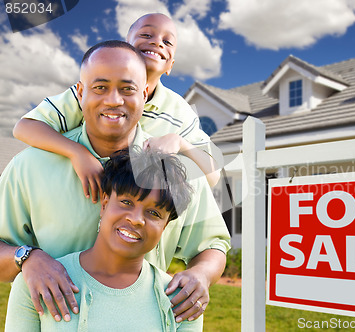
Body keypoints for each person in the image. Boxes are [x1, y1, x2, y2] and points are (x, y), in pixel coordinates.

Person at [0, 41, 230, 324]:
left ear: (144, 94)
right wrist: (27, 258)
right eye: (100, 87)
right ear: (80, 92)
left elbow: (213, 244)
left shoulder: (176, 173)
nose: (114, 100)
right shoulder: (30, 166)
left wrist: (201, 275)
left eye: (127, 88)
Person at [13, 13, 222, 202]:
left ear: (171, 66)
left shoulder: (179, 111)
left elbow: (212, 175)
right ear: (125, 47)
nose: (157, 42)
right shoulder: (91, 94)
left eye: (167, 41)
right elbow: (25, 127)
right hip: (78, 197)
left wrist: (180, 143)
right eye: (147, 34)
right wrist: (77, 153)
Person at [5, 148, 202, 331]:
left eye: (154, 213)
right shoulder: (38, 282)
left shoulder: (182, 300)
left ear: (165, 227)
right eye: (126, 202)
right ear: (105, 204)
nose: (136, 219)